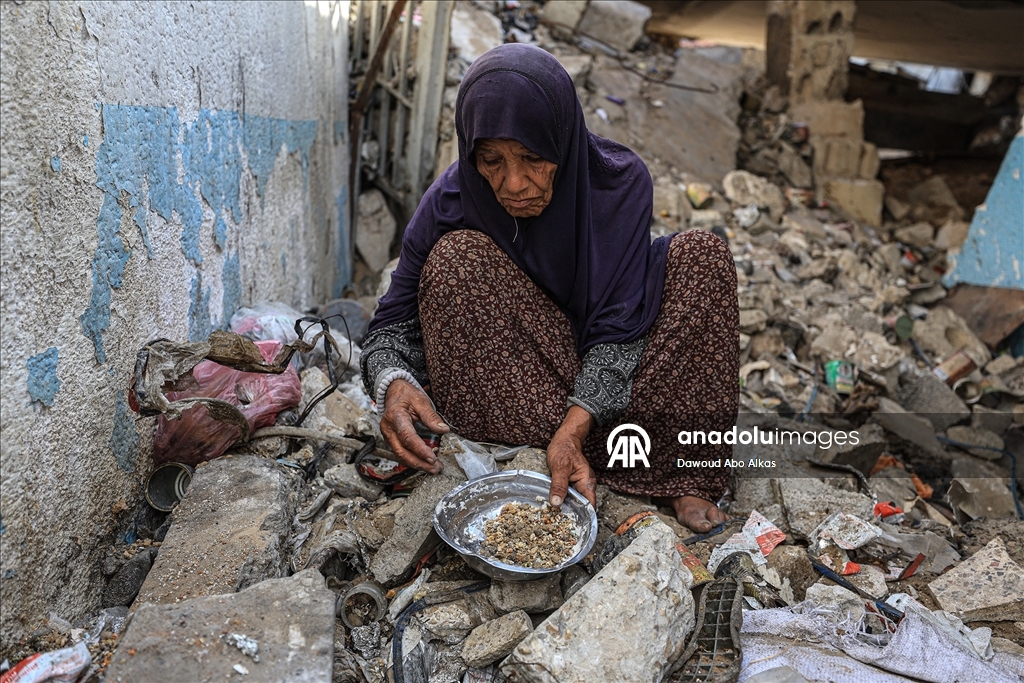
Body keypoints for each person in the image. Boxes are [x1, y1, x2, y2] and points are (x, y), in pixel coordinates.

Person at [359, 44, 738, 532]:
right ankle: (555, 458)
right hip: (528, 396)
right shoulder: (451, 201)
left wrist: (575, 426)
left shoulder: (619, 185)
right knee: (457, 259)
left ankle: (679, 470)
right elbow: (389, 327)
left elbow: (619, 328)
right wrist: (393, 382)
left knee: (702, 256)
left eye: (532, 158)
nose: (513, 183)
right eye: (491, 160)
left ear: (561, 141)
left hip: (621, 386)